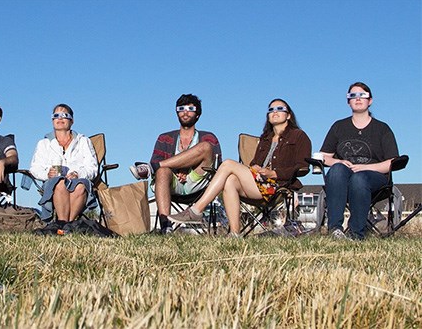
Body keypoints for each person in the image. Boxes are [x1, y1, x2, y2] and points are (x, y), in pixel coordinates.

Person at [168, 99, 311, 236]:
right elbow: (255, 162)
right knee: (230, 180)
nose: (275, 112)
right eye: (271, 109)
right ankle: (234, 233)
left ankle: (197, 210)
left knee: (228, 164)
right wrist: (255, 167)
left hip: (278, 186)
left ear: (289, 115)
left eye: (280, 109)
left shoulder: (298, 136)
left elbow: (303, 167)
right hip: (258, 183)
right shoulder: (265, 139)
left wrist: (273, 173)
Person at [129, 94, 221, 231]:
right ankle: (166, 225)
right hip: (172, 184)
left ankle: (151, 168)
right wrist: (176, 171)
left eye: (191, 108)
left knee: (206, 147)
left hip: (198, 183)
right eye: (181, 108)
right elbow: (156, 158)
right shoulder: (164, 138)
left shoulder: (208, 137)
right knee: (162, 171)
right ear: (177, 113)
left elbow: (218, 166)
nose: (185, 111)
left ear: (197, 114)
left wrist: (187, 170)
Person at [320, 82, 399, 240]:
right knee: (336, 169)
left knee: (359, 178)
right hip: (343, 177)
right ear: (348, 101)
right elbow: (323, 156)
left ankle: (356, 233)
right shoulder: (339, 126)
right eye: (352, 95)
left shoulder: (382, 129)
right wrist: (338, 162)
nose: (357, 98)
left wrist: (365, 167)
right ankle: (335, 230)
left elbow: (392, 161)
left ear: (370, 101)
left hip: (374, 177)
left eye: (362, 95)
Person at [29, 104, 98, 224]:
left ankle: (66, 225)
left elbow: (92, 168)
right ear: (52, 120)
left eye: (64, 115)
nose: (60, 118)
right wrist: (47, 174)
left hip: (77, 181)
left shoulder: (83, 141)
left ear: (72, 121)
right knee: (59, 183)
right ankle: (63, 223)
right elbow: (34, 168)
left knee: (80, 186)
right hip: (53, 184)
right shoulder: (44, 143)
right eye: (56, 116)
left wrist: (78, 173)